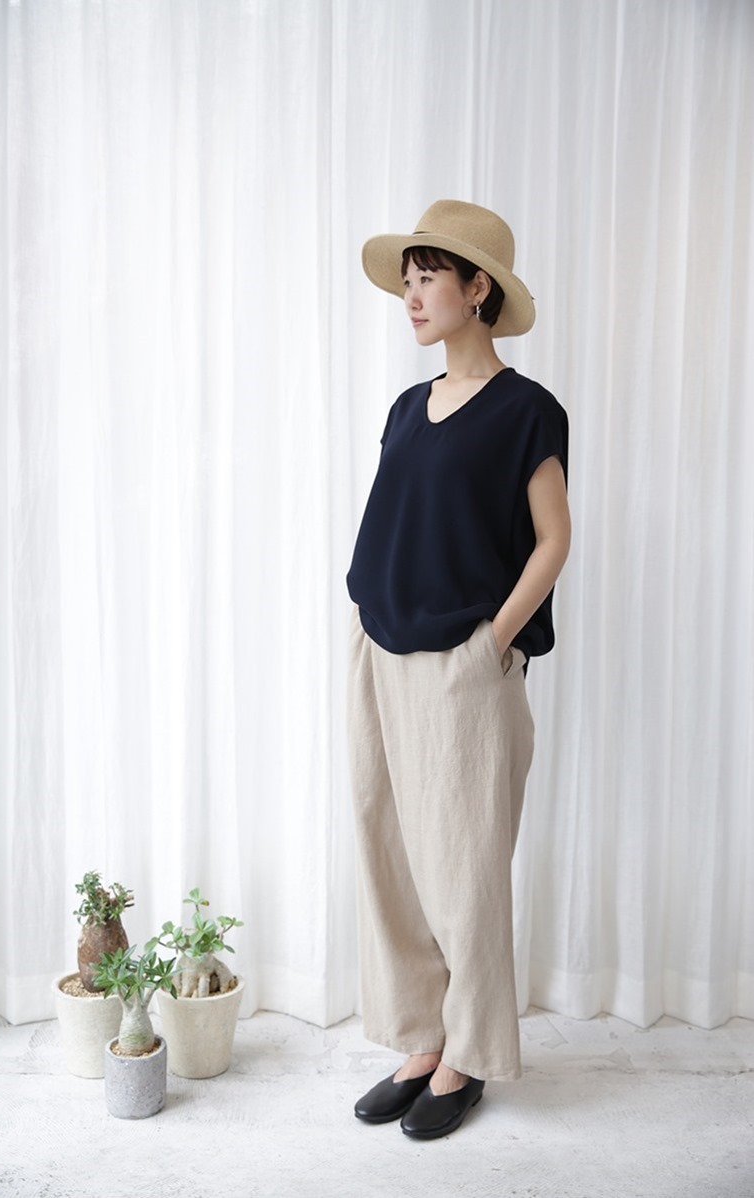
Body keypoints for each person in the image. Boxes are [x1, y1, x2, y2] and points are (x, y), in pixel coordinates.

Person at [346, 199, 570, 1140]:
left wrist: (492, 645)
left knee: (464, 869)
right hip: (379, 651)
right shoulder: (407, 407)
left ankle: (469, 1054)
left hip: (464, 667)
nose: (410, 296)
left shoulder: (526, 410)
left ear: (478, 289)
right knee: (390, 854)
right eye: (405, 280)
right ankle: (421, 1037)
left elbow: (553, 540)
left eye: (427, 277)